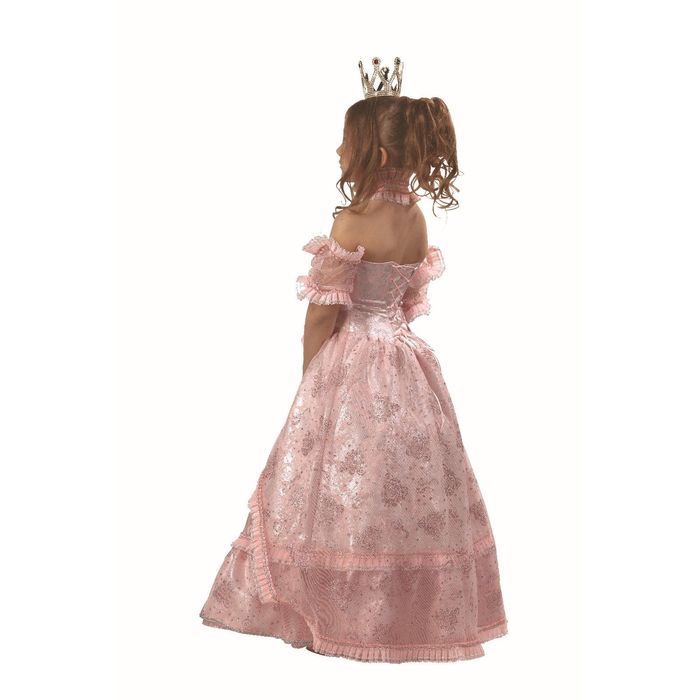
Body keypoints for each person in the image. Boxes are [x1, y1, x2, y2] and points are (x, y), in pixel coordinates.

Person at [199, 57, 508, 663]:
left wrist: (312, 382)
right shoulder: (415, 218)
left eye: (346, 142)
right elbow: (408, 301)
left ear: (375, 153)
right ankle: (398, 611)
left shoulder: (352, 220)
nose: (339, 151)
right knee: (402, 486)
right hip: (407, 368)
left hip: (352, 363)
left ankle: (335, 609)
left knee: (340, 485)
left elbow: (322, 314)